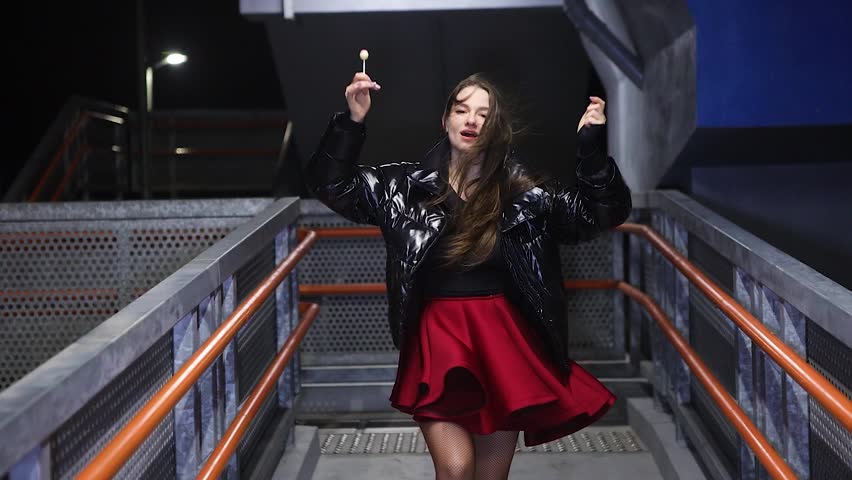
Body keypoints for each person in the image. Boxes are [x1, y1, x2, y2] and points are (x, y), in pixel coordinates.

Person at [306, 71, 632, 480]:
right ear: (446, 120)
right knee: (457, 468)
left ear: (496, 128)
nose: (471, 120)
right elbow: (331, 183)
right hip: (439, 337)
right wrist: (352, 121)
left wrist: (592, 153)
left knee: (491, 476)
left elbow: (601, 213)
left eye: (483, 114)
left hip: (504, 340)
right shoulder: (403, 187)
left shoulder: (525, 194)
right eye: (462, 110)